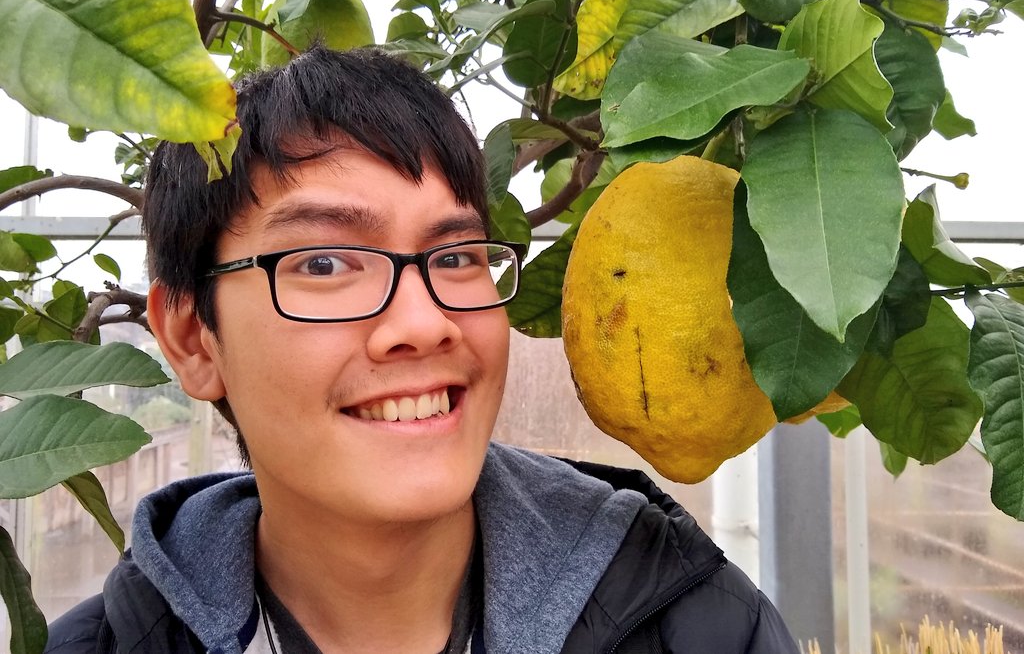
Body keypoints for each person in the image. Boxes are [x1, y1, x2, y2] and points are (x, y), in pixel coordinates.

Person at [45, 46, 800, 654]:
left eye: (456, 256)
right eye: (323, 263)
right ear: (190, 337)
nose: (426, 321)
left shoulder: (700, 625)